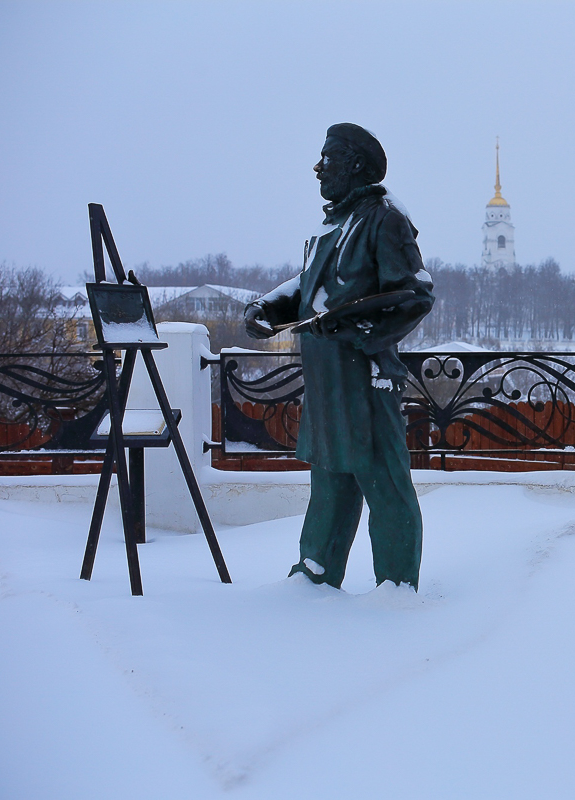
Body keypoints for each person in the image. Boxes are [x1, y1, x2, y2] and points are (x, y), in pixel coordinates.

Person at [244, 123, 434, 590]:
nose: (317, 169)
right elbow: (310, 288)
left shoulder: (383, 219)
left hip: (365, 378)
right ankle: (315, 572)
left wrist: (358, 329)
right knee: (330, 482)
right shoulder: (328, 227)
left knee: (384, 484)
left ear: (355, 165)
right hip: (327, 379)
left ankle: (395, 585)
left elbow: (415, 293)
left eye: (327, 159)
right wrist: (267, 306)